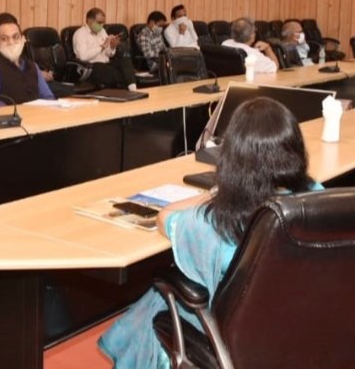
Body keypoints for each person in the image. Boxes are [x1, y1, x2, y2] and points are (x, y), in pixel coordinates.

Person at [98, 97, 322, 368]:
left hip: (239, 341)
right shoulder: (317, 199)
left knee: (156, 301)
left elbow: (164, 217)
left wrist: (218, 193)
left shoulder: (212, 221)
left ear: (230, 159)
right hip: (301, 325)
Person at [0, 14, 56, 109]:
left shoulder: (33, 66)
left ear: (23, 39)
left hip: (38, 116)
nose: (11, 42)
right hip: (9, 117)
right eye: (4, 39)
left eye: (16, 37)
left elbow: (48, 97)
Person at [72, 7, 138, 90]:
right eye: (99, 22)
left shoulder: (102, 31)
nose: (101, 25)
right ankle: (132, 87)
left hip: (106, 63)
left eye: (103, 23)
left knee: (124, 58)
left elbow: (109, 54)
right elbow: (83, 57)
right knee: (121, 75)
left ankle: (133, 86)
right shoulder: (80, 34)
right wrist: (102, 47)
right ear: (89, 21)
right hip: (91, 67)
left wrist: (112, 46)